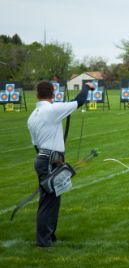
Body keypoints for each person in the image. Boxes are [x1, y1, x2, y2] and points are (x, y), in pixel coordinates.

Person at [27, 81, 95, 248]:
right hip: (50, 159)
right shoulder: (51, 110)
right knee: (48, 200)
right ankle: (43, 241)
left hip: (44, 158)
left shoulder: (33, 115)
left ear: (37, 94)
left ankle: (50, 235)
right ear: (52, 95)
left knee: (53, 197)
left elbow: (36, 144)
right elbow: (79, 100)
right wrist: (87, 86)